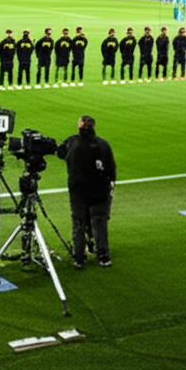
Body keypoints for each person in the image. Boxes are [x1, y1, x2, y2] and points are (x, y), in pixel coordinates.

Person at [58, 115, 116, 269]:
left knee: (78, 223)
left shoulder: (72, 142)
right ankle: (103, 257)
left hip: (78, 192)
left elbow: (59, 152)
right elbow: (111, 170)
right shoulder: (103, 144)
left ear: (79, 125)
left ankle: (79, 258)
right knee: (99, 223)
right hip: (99, 192)